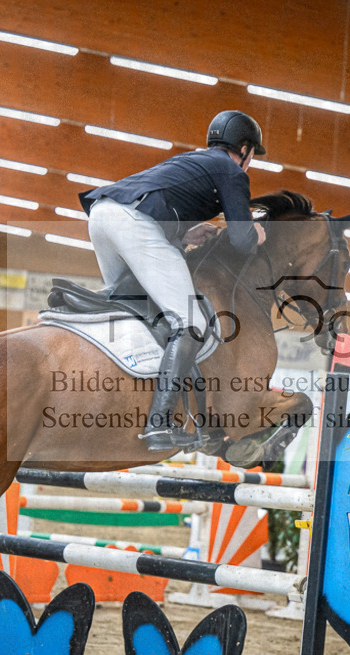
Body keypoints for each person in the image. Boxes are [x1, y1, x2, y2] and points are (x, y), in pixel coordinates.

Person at [78, 110, 268, 452]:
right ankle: (159, 424)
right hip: (132, 223)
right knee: (192, 324)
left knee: (140, 315)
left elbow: (157, 205)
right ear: (244, 148)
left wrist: (185, 233)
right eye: (252, 154)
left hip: (103, 215)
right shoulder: (231, 171)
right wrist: (257, 234)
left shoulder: (194, 161)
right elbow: (241, 240)